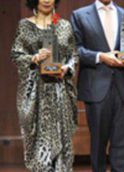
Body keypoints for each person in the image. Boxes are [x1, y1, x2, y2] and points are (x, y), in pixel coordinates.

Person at [71, 0, 124, 171]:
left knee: (121, 144)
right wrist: (101, 57)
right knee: (98, 143)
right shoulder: (80, 15)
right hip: (96, 87)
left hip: (123, 86)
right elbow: (75, 49)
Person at [11, 0, 78, 171]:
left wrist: (66, 68)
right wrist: (34, 58)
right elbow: (16, 55)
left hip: (60, 93)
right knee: (39, 150)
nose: (47, 0)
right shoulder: (25, 25)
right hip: (35, 95)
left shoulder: (64, 26)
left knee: (63, 145)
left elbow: (73, 56)